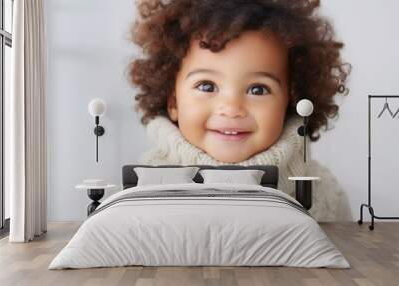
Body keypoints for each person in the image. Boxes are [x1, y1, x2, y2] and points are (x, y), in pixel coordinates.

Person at [128, 0, 352, 221]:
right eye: (207, 86)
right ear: (174, 103)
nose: (232, 109)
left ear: (291, 100)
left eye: (258, 89)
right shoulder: (140, 190)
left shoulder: (324, 194)